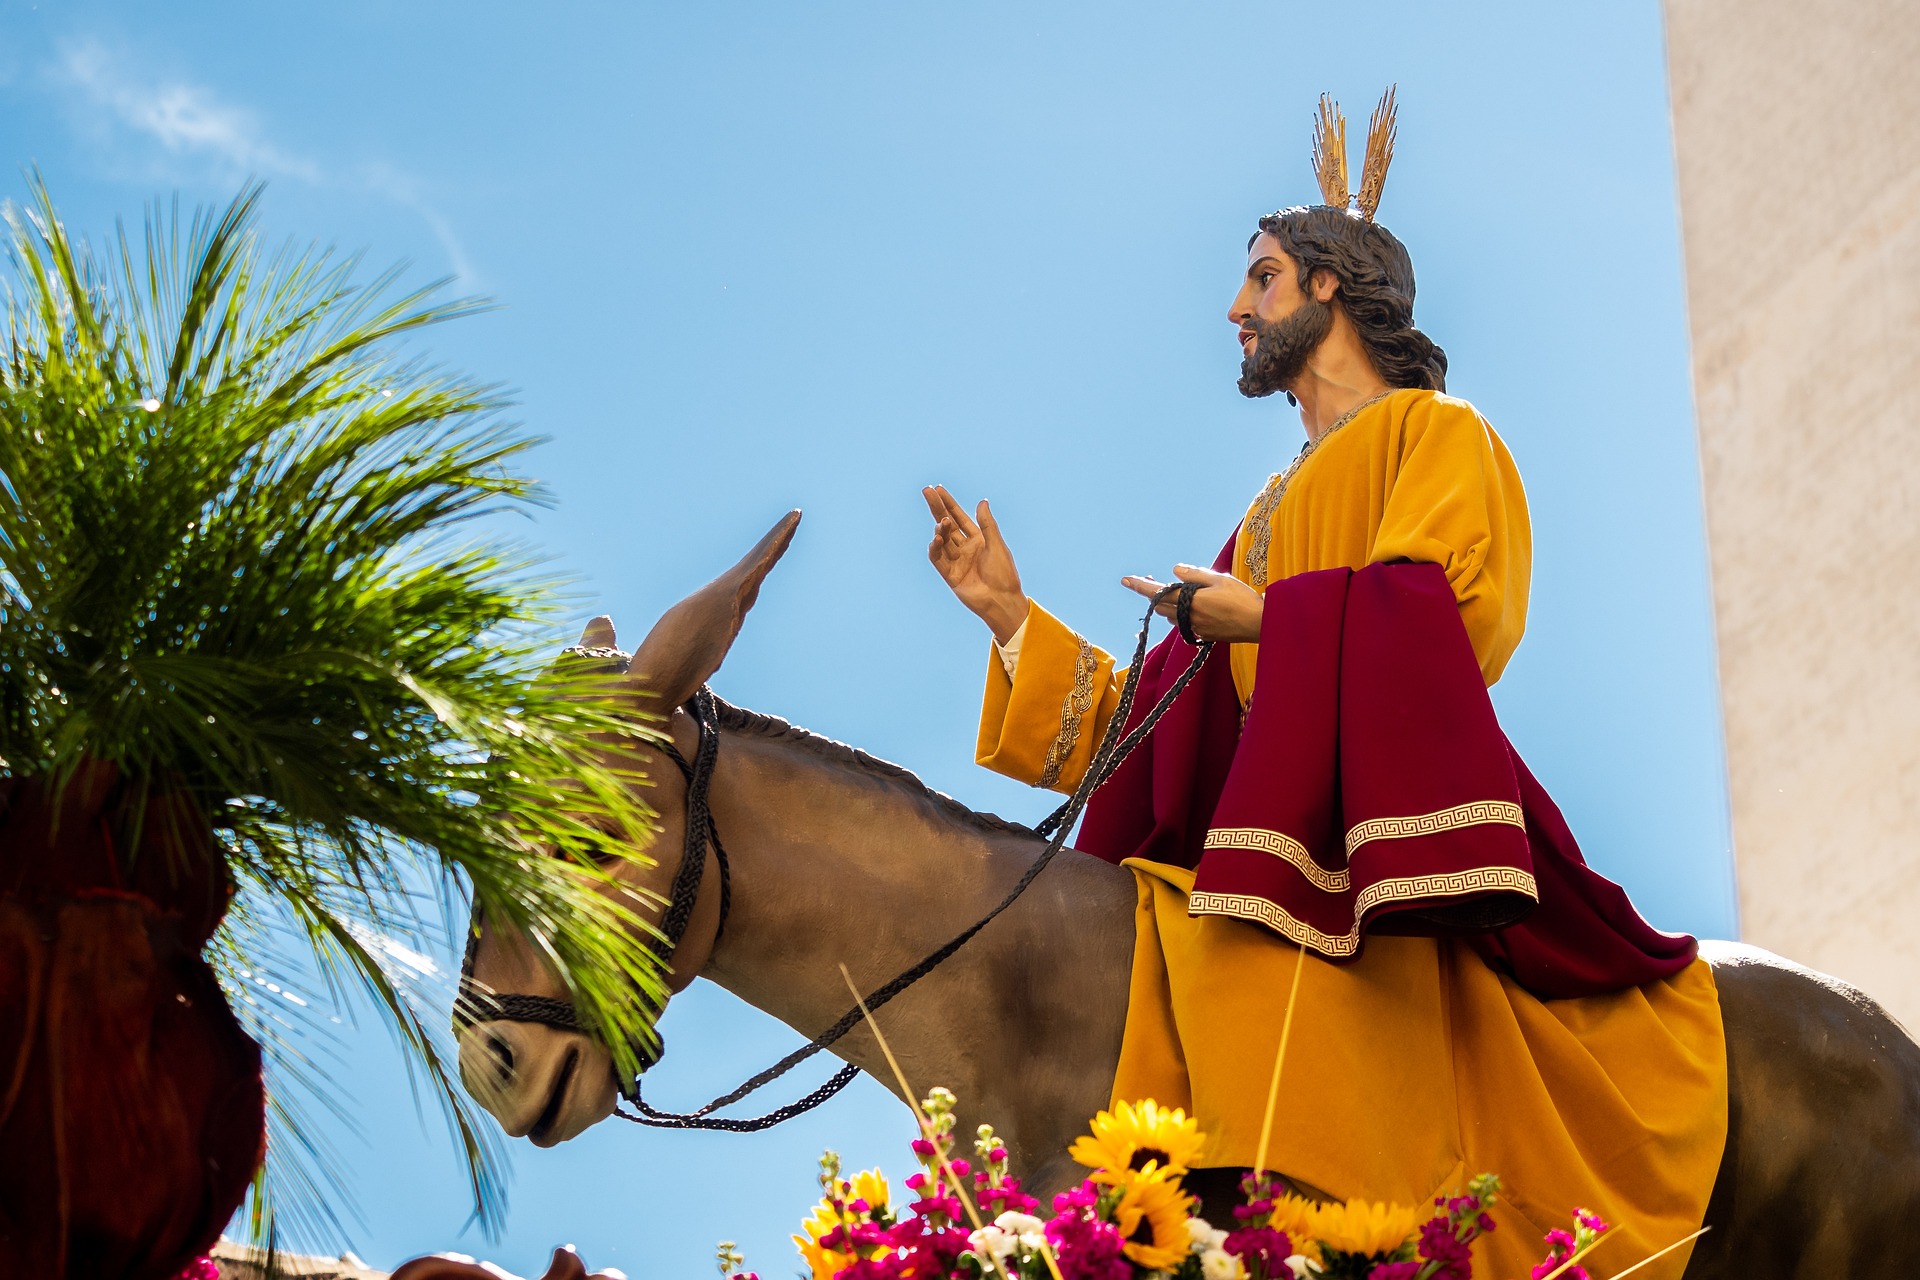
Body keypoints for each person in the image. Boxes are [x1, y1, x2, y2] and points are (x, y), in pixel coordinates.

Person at [922, 91, 1725, 1279]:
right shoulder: (1263, 513)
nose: (1236, 309)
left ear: (1331, 286)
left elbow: (1457, 620)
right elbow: (1159, 723)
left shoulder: (1435, 436)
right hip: (1257, 853)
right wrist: (1008, 618)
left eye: (1261, 278)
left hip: (1366, 855)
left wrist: (1266, 616)